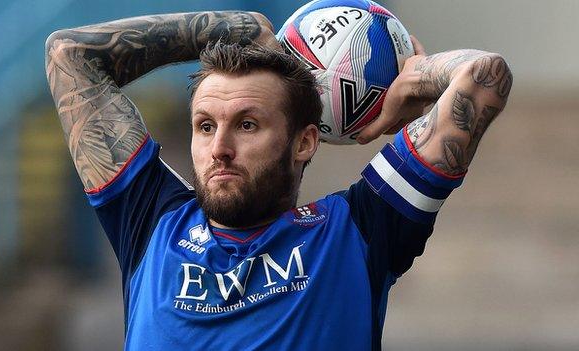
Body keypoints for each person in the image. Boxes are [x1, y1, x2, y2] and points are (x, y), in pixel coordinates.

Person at [44, 10, 511, 350]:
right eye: (205, 126)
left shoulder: (361, 231)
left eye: (247, 125)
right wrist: (247, 28)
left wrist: (416, 77)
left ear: (305, 142)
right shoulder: (148, 221)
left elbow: (484, 76)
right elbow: (69, 55)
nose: (219, 148)